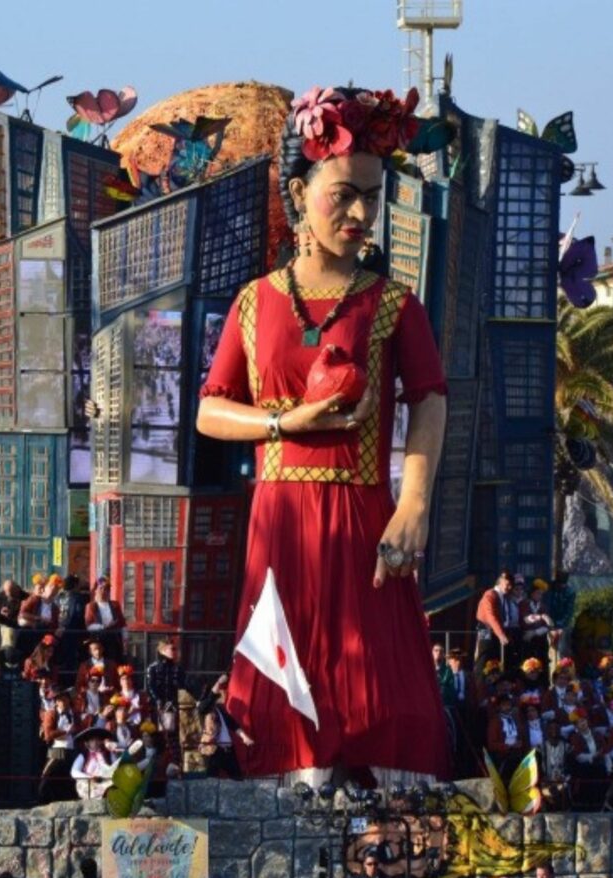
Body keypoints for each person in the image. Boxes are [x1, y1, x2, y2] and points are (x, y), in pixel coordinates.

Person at [196, 84, 449, 784]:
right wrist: (283, 422)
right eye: (344, 194)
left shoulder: (395, 304)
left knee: (381, 701)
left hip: (364, 515)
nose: (362, 213)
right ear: (298, 193)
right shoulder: (254, 301)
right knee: (282, 695)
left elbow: (430, 399)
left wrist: (414, 502)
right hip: (279, 519)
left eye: (373, 195)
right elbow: (210, 409)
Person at [199, 673, 254, 779]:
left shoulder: (220, 709)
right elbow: (209, 700)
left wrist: (244, 737)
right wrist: (219, 682)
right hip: (213, 750)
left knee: (238, 779)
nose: (222, 695)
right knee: (210, 781)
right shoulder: (203, 709)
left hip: (227, 750)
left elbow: (232, 724)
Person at [476, 570, 514, 674]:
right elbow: (490, 616)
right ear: (500, 581)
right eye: (507, 584)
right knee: (483, 658)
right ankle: (479, 686)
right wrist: (501, 635)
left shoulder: (505, 598)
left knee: (497, 661)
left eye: (511, 585)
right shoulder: (490, 594)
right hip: (485, 629)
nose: (509, 587)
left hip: (497, 631)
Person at [145, 638, 186, 734]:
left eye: (176, 649)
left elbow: (182, 686)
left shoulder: (179, 668)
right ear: (162, 650)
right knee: (156, 734)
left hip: (174, 706)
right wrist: (158, 700)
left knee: (173, 734)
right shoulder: (153, 668)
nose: (175, 652)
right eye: (172, 649)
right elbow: (150, 686)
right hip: (157, 707)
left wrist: (176, 701)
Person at [83, 578, 126, 661]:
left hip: (113, 639)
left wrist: (125, 638)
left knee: (113, 662)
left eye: (106, 589)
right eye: (101, 588)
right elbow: (89, 625)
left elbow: (122, 622)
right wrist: (103, 626)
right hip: (98, 639)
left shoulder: (115, 605)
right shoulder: (91, 606)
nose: (103, 591)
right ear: (95, 590)